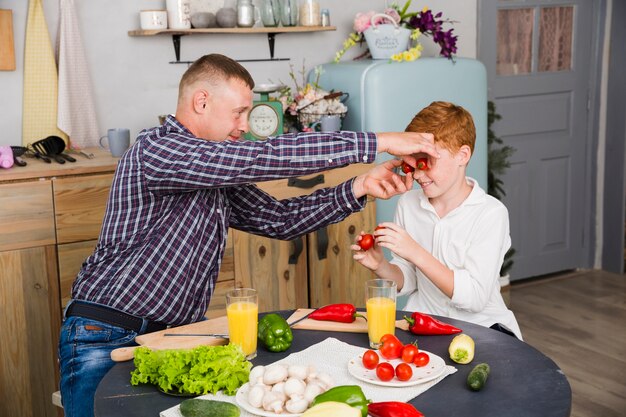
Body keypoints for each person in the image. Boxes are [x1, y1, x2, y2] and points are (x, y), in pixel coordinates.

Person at [57, 53, 440, 417]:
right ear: (201, 101)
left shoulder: (214, 172)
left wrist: (359, 186)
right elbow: (263, 157)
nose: (244, 125)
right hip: (106, 334)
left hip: (172, 339)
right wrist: (380, 142)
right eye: (238, 112)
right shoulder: (157, 150)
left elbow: (280, 218)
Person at [352, 101, 522, 340]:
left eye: (426, 162)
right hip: (423, 322)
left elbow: (474, 298)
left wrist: (415, 251)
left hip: (482, 327)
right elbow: (408, 281)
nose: (418, 174)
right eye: (412, 165)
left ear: (462, 155)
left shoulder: (491, 213)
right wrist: (381, 265)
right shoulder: (408, 204)